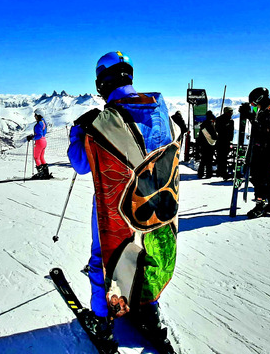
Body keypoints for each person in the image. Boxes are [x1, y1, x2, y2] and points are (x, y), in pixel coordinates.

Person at [67, 51, 184, 353]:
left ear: (102, 83)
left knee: (105, 256)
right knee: (151, 251)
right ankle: (150, 312)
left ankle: (103, 323)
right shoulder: (160, 110)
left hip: (116, 206)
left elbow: (81, 164)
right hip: (157, 205)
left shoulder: (101, 122)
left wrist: (77, 134)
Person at [242, 87, 270, 219]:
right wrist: (250, 112)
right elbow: (258, 118)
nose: (255, 106)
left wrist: (249, 116)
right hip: (263, 148)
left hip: (268, 148)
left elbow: (264, 131)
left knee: (260, 177)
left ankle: (261, 203)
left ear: (260, 99)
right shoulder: (266, 110)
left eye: (254, 103)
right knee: (263, 176)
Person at [26, 109, 52, 179]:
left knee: (36, 157)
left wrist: (32, 137)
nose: (34, 116)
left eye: (35, 115)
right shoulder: (44, 122)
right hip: (44, 141)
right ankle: (46, 173)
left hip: (39, 142)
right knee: (41, 157)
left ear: (38, 115)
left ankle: (41, 174)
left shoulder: (38, 124)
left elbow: (39, 135)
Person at [215, 106, 235, 180]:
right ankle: (223, 172)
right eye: (230, 112)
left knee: (221, 157)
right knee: (222, 157)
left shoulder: (227, 120)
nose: (231, 113)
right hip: (222, 141)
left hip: (223, 141)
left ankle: (220, 171)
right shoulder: (225, 120)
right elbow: (218, 129)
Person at [196, 110, 217, 179]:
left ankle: (200, 173)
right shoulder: (210, 124)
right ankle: (208, 173)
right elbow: (214, 136)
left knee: (203, 159)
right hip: (209, 144)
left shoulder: (203, 125)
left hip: (203, 144)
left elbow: (200, 136)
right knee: (209, 160)